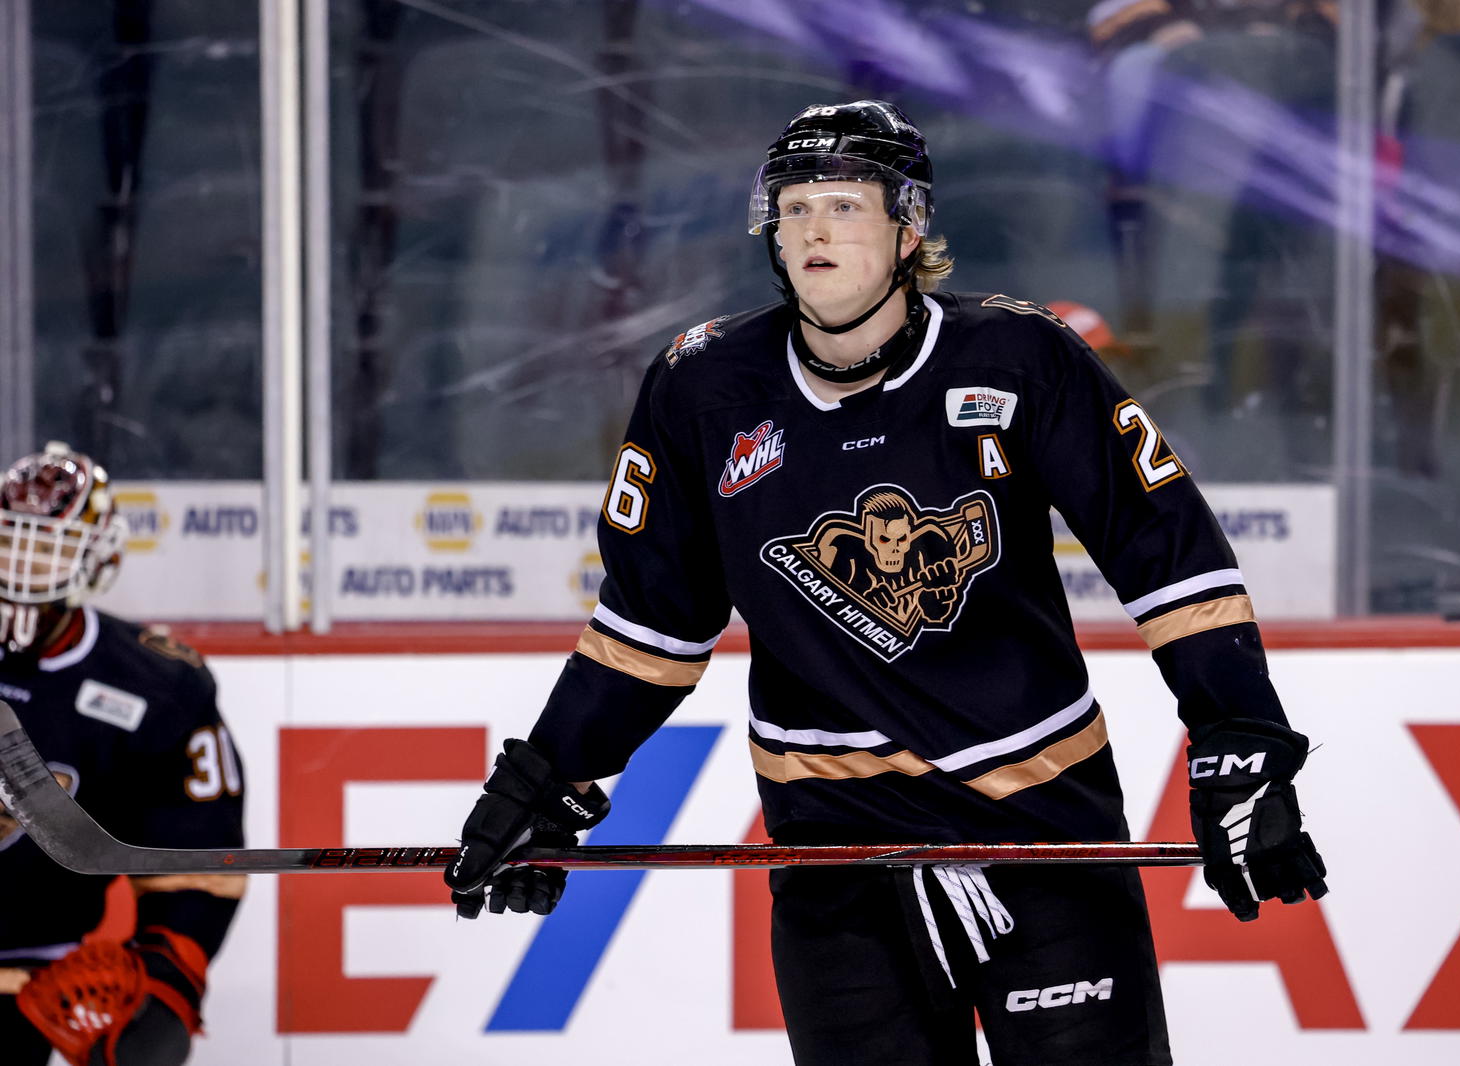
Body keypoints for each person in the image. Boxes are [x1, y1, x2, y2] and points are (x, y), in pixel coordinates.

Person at [446, 100, 1327, 1066]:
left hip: (1040, 829)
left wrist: (1238, 735)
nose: (816, 230)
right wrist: (554, 775)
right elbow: (656, 618)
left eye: (845, 206)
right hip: (835, 851)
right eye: (794, 209)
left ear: (909, 229)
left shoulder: (1020, 359)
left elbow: (1169, 553)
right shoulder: (703, 387)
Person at [0, 442, 245, 1066]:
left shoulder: (154, 687)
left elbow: (196, 861)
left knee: (147, 1042)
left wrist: (167, 972)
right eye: (10, 542)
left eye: (47, 546)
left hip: (34, 973)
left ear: (97, 555)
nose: (23, 566)